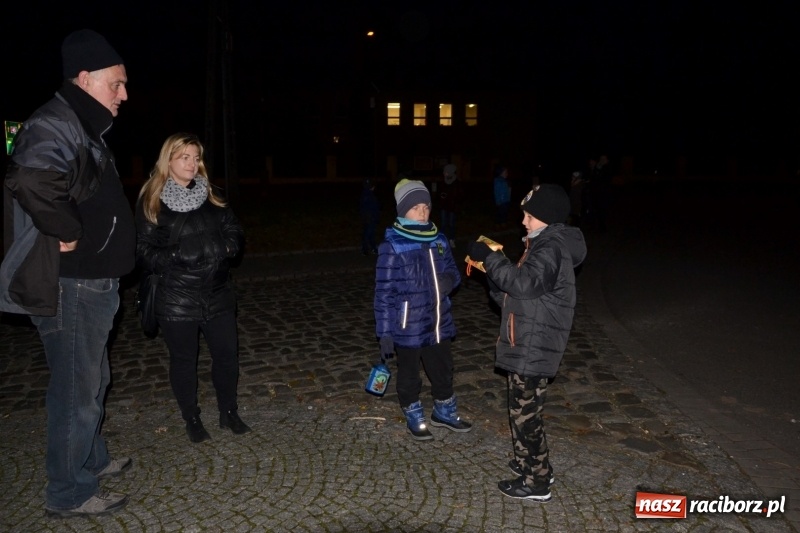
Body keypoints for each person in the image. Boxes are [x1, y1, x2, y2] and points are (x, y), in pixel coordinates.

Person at [0, 29, 134, 517]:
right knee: (76, 390)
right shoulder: (56, 122)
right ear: (86, 79)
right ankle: (69, 492)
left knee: (94, 379)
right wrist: (65, 227)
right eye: (117, 84)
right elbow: (30, 178)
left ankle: (91, 461)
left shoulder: (82, 124)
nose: (124, 94)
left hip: (94, 282)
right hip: (73, 284)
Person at [466, 184, 586, 502]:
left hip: (535, 344)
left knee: (526, 415)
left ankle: (538, 481)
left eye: (529, 216)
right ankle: (527, 463)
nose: (523, 221)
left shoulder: (550, 247)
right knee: (521, 409)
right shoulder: (542, 245)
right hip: (529, 341)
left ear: (545, 219)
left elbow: (523, 284)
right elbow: (517, 293)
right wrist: (491, 274)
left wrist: (492, 260)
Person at [135, 133, 248, 444]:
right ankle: (192, 417)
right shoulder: (151, 199)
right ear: (168, 160)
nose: (192, 163)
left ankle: (229, 412)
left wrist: (229, 245)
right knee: (185, 360)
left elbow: (234, 229)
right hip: (176, 297)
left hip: (217, 292)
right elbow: (142, 251)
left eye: (196, 157)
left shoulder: (211, 194)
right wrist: (174, 255)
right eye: (184, 157)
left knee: (227, 356)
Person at [374, 179, 472, 440]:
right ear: (402, 210)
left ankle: (443, 411)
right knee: (409, 374)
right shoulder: (392, 245)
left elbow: (453, 270)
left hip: (439, 321)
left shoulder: (438, 238)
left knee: (443, 369)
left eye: (426, 206)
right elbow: (383, 292)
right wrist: (384, 333)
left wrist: (450, 281)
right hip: (408, 326)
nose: (422, 212)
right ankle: (413, 411)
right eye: (415, 206)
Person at [438, 163, 464, 248]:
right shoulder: (442, 181)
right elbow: (439, 193)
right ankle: (442, 241)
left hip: (452, 207)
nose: (444, 173)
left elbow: (460, 195)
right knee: (443, 224)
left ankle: (451, 240)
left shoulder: (457, 182)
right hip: (443, 206)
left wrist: (456, 203)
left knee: (452, 224)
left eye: (446, 172)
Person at [359, 178, 380, 255]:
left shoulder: (364, 195)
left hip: (367, 217)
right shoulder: (370, 196)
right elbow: (374, 208)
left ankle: (373, 248)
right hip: (370, 218)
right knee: (368, 233)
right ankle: (365, 249)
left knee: (370, 233)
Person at [493, 165, 511, 229]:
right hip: (501, 201)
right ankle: (499, 224)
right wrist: (498, 201)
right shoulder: (498, 181)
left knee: (504, 212)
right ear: (501, 172)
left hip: (506, 200)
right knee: (500, 213)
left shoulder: (505, 181)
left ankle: (502, 223)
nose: (507, 174)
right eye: (505, 172)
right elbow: (497, 192)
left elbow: (508, 191)